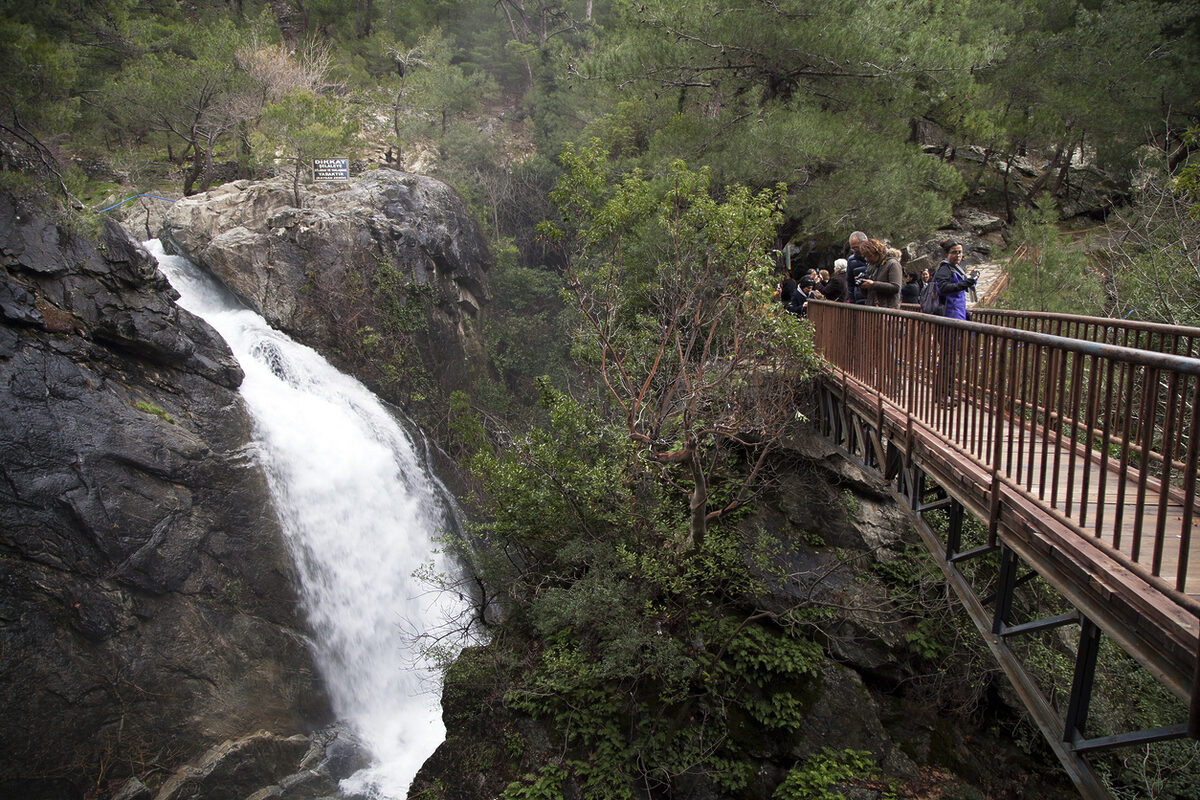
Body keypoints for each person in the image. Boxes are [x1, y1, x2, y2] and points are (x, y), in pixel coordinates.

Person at [932, 239, 976, 320]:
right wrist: (965, 284)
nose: (958, 255)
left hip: (958, 310)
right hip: (949, 312)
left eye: (960, 252)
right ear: (946, 253)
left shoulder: (956, 268)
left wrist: (972, 280)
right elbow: (943, 288)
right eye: (954, 252)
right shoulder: (945, 269)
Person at [857, 239, 902, 308]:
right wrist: (863, 285)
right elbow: (868, 294)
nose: (867, 259)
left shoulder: (892, 264)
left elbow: (896, 287)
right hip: (873, 309)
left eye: (869, 256)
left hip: (888, 310)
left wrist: (873, 284)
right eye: (865, 256)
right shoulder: (872, 267)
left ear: (877, 253)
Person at [845, 231, 869, 304]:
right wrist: (852, 302)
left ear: (864, 242)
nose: (854, 251)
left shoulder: (876, 257)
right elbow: (850, 283)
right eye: (852, 249)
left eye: (856, 248)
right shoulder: (851, 260)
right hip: (859, 301)